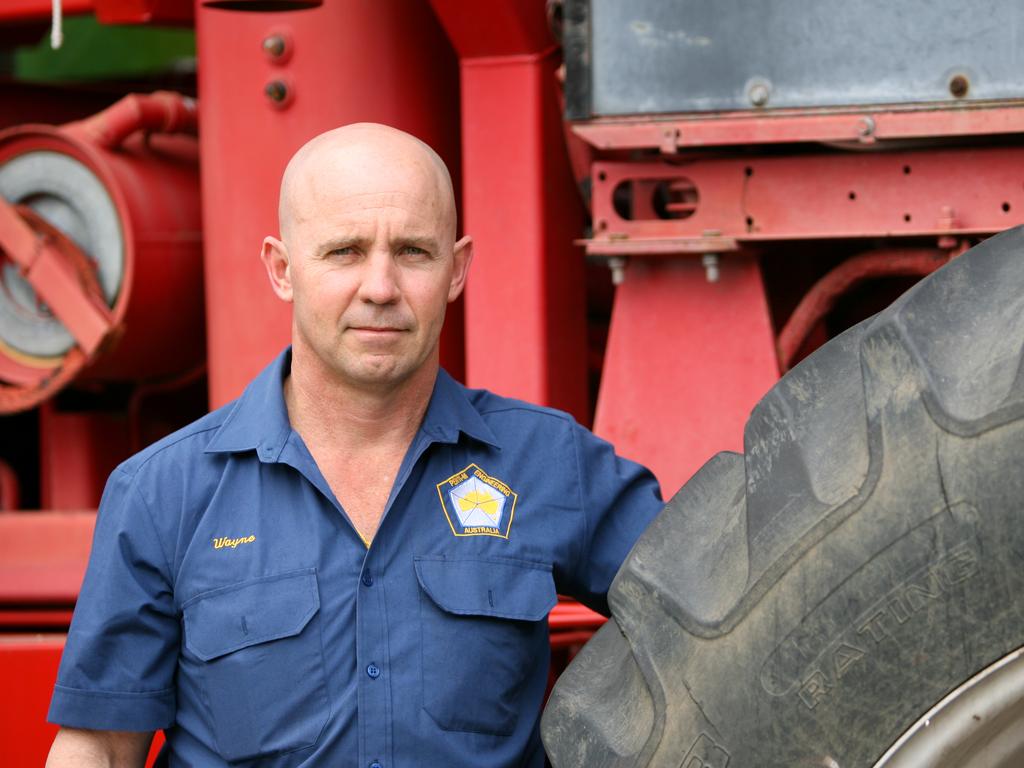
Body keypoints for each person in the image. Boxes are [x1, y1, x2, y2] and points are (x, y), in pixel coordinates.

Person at [45, 124, 663, 767]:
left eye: (414, 252)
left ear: (457, 269)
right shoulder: (163, 492)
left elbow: (718, 612)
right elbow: (102, 746)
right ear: (282, 269)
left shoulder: (548, 463)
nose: (380, 287)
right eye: (344, 251)